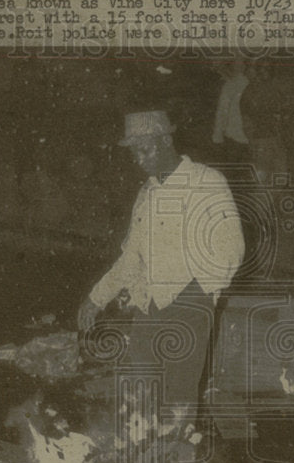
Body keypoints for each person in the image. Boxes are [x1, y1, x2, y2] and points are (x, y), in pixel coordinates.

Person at [78, 111, 246, 407]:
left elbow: (231, 249)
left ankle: (180, 452)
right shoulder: (148, 193)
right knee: (139, 396)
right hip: (149, 306)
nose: (139, 159)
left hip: (190, 307)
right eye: (134, 153)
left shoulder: (205, 182)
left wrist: (195, 296)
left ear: (167, 141)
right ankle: (144, 452)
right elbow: (131, 258)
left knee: (176, 399)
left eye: (145, 149)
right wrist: (96, 298)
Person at [211, 60, 251, 165]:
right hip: (248, 138)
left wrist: (217, 138)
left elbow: (222, 112)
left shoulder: (231, 84)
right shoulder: (247, 82)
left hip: (236, 139)